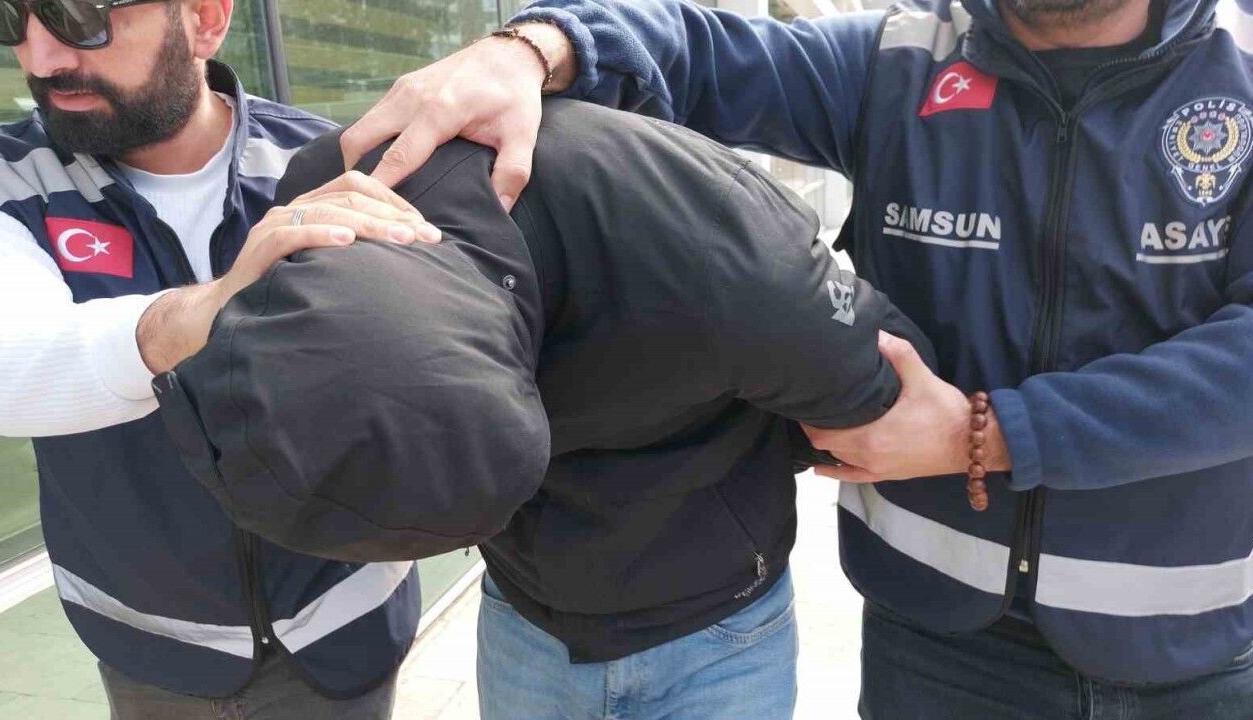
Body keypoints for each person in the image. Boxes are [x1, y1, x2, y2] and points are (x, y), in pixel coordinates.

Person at [337, 0, 1253, 716]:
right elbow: (696, 53)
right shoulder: (903, 59)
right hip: (936, 647)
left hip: (1186, 656)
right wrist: (532, 48)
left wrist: (991, 434)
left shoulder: (1242, 68)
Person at [154, 98, 937, 720]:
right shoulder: (319, 205)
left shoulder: (722, 249)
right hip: (525, 617)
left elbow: (889, 397)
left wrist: (738, 453)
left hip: (718, 628)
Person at [0, 0, 441, 716]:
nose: (40, 58)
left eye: (77, 15)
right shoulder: (0, 184)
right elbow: (3, 369)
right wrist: (223, 302)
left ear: (205, 19)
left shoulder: (334, 164)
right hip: (152, 649)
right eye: (4, 15)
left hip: (345, 628)